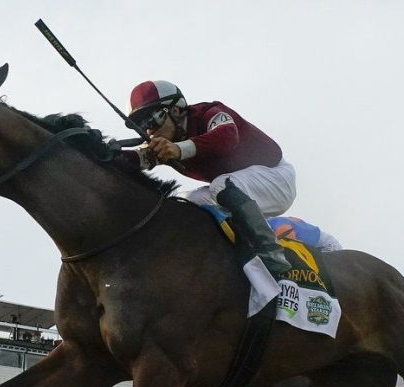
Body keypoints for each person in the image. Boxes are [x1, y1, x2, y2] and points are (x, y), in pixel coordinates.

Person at [125, 80, 293, 273]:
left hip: (277, 178)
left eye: (152, 119)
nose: (149, 131)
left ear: (176, 111)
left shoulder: (209, 113)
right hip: (242, 188)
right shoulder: (167, 142)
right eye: (141, 125)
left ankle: (271, 251)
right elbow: (134, 160)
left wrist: (179, 149)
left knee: (220, 185)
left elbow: (228, 136)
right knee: (186, 202)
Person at [267, 216, 342, 252]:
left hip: (327, 244)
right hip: (320, 242)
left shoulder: (278, 225)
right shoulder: (275, 221)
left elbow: (289, 246)